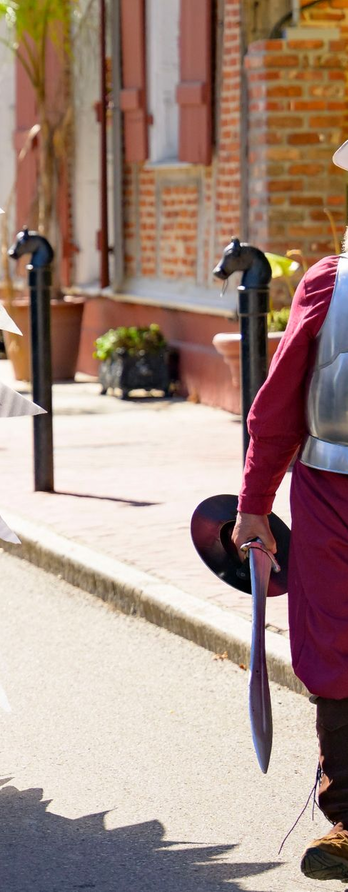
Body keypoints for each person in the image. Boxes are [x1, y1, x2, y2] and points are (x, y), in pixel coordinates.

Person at [233, 181, 348, 879]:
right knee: (334, 642)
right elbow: (278, 408)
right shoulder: (328, 285)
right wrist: (254, 501)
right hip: (332, 490)